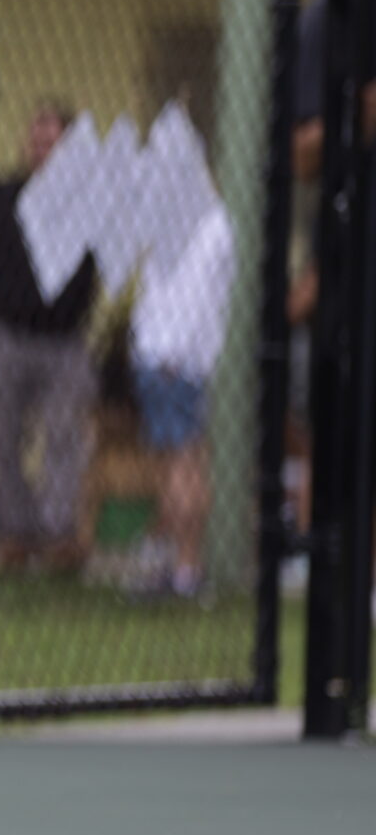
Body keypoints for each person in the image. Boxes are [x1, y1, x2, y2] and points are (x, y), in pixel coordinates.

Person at [0, 102, 99, 573]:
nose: (40, 149)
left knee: (64, 436)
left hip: (65, 339)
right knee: (4, 435)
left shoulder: (89, 203)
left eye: (52, 142)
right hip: (6, 333)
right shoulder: (7, 195)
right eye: (36, 140)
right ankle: (14, 531)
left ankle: (58, 533)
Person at [128, 201, 237, 600]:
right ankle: (182, 564)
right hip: (170, 355)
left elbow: (197, 295)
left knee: (182, 463)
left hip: (172, 356)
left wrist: (174, 351)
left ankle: (185, 566)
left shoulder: (205, 223)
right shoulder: (189, 220)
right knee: (180, 462)